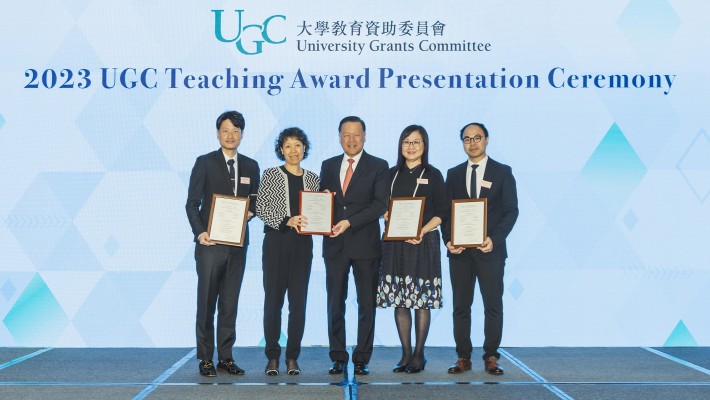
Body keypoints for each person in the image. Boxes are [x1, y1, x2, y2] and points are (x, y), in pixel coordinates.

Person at [185, 110, 260, 377]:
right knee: (206, 302)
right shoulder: (204, 162)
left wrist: (252, 211)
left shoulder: (251, 165)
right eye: (226, 130)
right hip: (209, 245)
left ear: (242, 134)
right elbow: (192, 204)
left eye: (236, 130)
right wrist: (200, 232)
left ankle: (226, 357)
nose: (231, 135)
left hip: (238, 246)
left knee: (230, 303)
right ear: (218, 133)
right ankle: (205, 358)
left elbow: (255, 201)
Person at [442, 122, 518, 376]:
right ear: (462, 143)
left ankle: (491, 356)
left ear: (487, 139)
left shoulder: (503, 172)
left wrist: (494, 239)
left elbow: (511, 211)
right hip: (460, 252)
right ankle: (463, 356)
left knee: (492, 305)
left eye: (477, 138)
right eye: (467, 139)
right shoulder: (452, 174)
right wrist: (448, 239)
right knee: (461, 306)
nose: (472, 143)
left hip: (490, 252)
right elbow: (445, 212)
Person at [319, 116, 389, 376]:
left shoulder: (379, 166)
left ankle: (361, 357)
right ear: (339, 137)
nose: (351, 139)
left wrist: (348, 222)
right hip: (334, 245)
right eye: (346, 134)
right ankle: (338, 356)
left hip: (366, 244)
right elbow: (323, 203)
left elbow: (380, 205)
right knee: (335, 302)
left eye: (356, 134)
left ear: (365, 136)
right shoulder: (327, 166)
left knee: (366, 304)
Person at [376, 125, 447, 374]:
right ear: (400, 145)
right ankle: (405, 353)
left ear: (424, 145)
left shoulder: (434, 174)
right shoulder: (390, 174)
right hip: (395, 244)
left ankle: (419, 354)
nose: (411, 146)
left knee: (421, 300)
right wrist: (385, 213)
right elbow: (381, 203)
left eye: (416, 142)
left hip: (423, 242)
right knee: (400, 299)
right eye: (406, 141)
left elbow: (442, 212)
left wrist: (422, 230)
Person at [256, 127, 320, 376]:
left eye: (298, 145)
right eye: (288, 145)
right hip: (276, 243)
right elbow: (262, 206)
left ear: (305, 148)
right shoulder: (271, 174)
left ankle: (292, 356)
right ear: (281, 150)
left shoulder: (314, 179)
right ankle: (272, 356)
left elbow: (319, 212)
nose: (294, 150)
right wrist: (287, 220)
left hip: (303, 246)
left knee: (298, 303)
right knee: (273, 302)